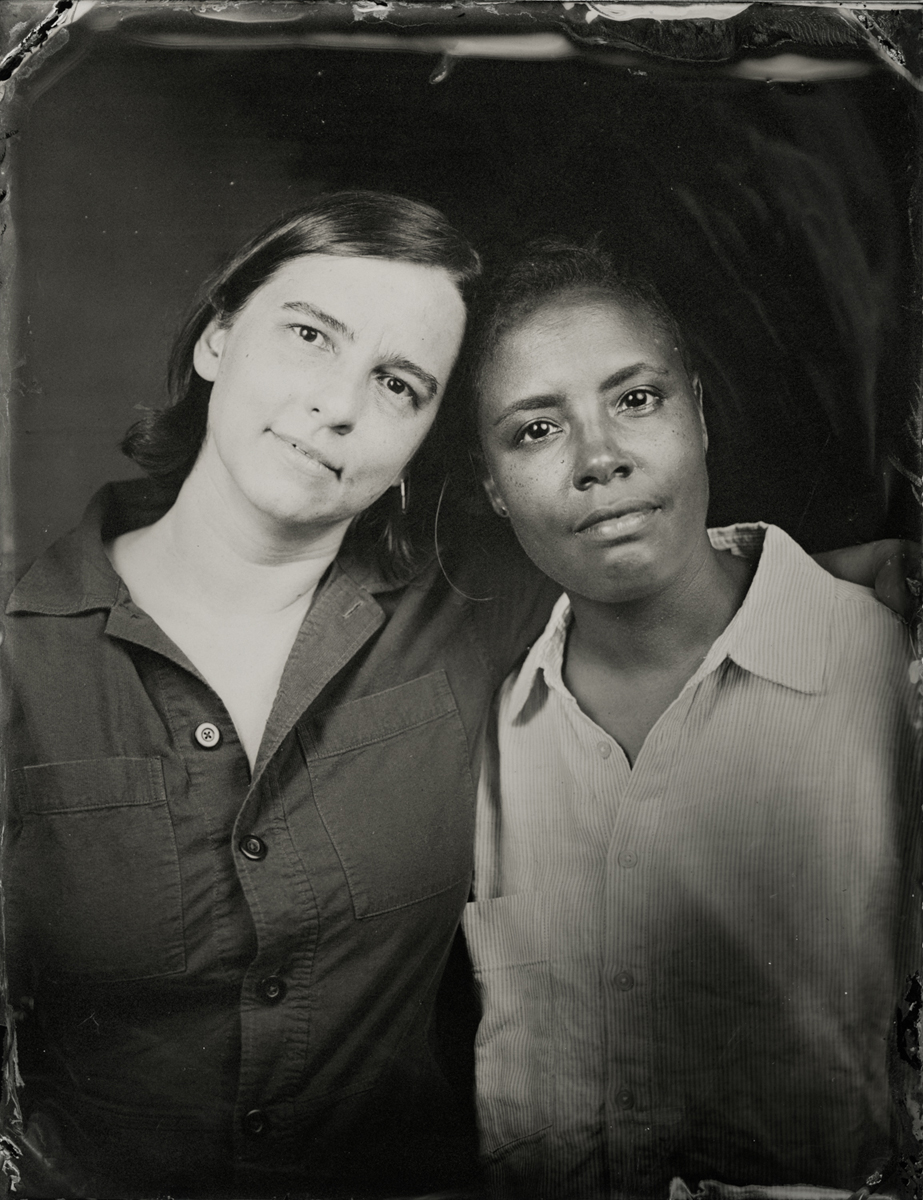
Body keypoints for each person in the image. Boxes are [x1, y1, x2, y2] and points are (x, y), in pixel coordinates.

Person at [1, 195, 912, 1200]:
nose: (337, 405)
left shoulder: (464, 610)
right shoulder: (22, 654)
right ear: (217, 334)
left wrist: (859, 592)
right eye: (309, 335)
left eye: (398, 384)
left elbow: (656, 567)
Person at [461, 242, 922, 1199]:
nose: (599, 459)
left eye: (636, 399)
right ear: (491, 485)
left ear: (699, 415)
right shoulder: (486, 733)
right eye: (536, 430)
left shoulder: (888, 665)